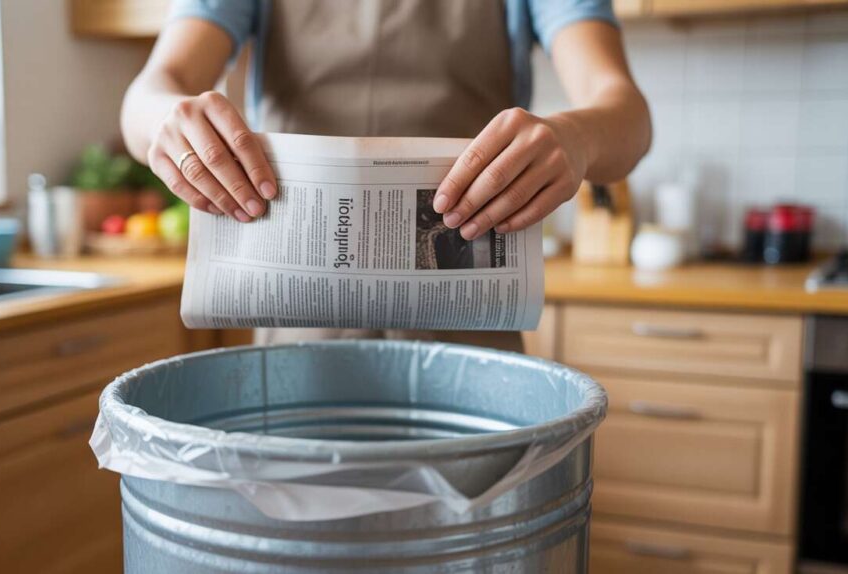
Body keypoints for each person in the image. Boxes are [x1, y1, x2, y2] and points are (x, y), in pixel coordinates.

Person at [122, 0, 651, 352]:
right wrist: (166, 122)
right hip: (299, 331)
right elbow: (148, 95)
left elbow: (626, 112)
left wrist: (576, 139)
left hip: (469, 330)